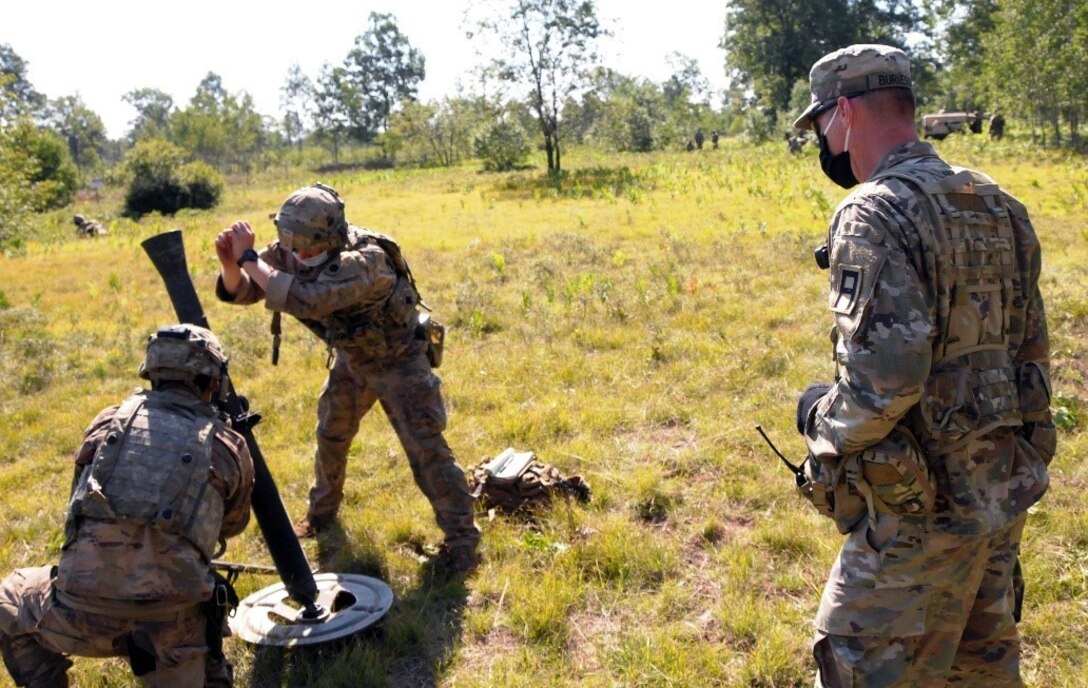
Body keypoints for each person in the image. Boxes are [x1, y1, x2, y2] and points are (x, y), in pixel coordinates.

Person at [792, 44, 1053, 686]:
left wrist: (821, 429)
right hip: (996, 498)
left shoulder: (872, 209)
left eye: (822, 124)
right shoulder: (998, 203)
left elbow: (887, 378)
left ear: (845, 111)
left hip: (915, 515)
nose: (825, 142)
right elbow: (1031, 358)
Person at [213, 182, 480, 572]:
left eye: (309, 249)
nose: (300, 256)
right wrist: (231, 264)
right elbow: (248, 290)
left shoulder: (365, 260)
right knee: (331, 435)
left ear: (332, 237)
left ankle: (463, 543)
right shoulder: (293, 249)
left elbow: (307, 298)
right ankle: (322, 515)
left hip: (399, 360)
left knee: (427, 451)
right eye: (294, 248)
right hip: (353, 359)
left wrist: (250, 257)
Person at [0, 324, 255, 687]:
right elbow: (232, 524)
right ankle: (201, 666)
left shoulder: (106, 423)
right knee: (198, 625)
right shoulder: (228, 445)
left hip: (80, 613)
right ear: (212, 382)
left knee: (9, 598)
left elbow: (77, 509)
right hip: (172, 623)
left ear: (152, 374)